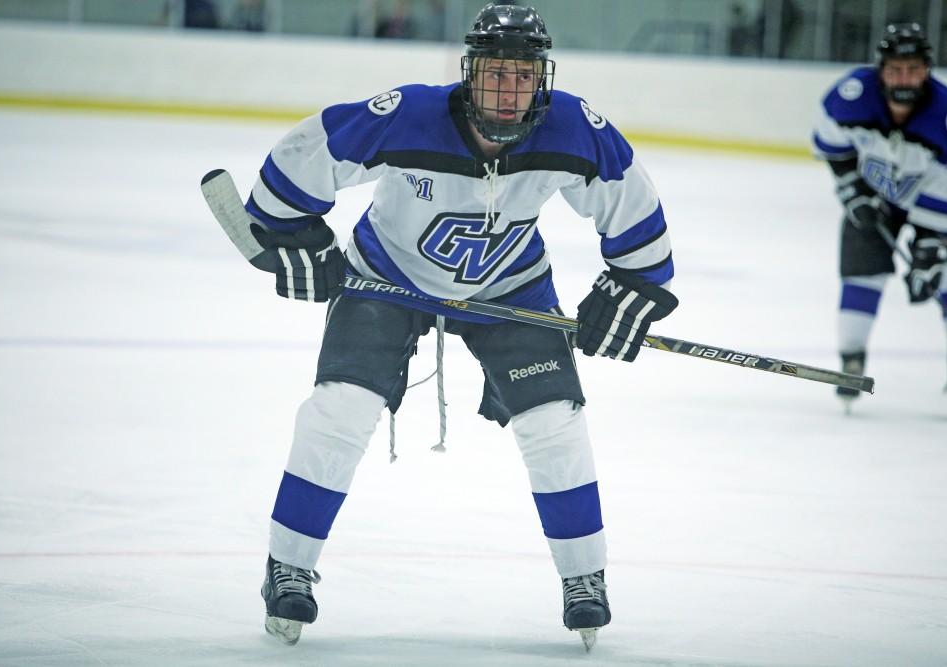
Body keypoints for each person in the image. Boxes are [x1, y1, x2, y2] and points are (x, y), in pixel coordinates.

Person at [240, 2, 678, 647]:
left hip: (512, 286)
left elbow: (634, 213)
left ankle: (585, 578)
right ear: (470, 72)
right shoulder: (409, 115)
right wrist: (294, 235)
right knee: (338, 410)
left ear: (542, 80)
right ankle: (290, 567)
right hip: (386, 278)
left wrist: (634, 286)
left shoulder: (575, 130)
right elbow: (305, 155)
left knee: (555, 422)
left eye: (523, 76)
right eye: (496, 73)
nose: (508, 90)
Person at [812, 22, 947, 415]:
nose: (904, 77)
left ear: (927, 70)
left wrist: (930, 250)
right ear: (880, 70)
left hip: (943, 201)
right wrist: (853, 193)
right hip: (876, 196)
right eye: (895, 69)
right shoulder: (851, 96)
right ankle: (851, 361)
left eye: (913, 69)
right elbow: (831, 146)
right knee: (861, 273)